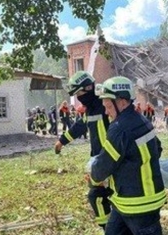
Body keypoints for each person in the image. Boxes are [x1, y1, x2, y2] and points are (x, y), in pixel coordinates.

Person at [90, 76, 166, 235]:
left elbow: (104, 165)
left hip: (137, 204)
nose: (106, 112)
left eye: (109, 106)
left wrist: (93, 178)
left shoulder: (119, 128)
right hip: (129, 201)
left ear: (122, 102)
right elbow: (157, 149)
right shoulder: (142, 119)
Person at [54, 71, 111, 230]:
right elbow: (79, 126)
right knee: (100, 195)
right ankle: (110, 227)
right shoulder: (91, 109)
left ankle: (109, 228)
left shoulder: (105, 105)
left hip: (111, 159)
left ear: (89, 87)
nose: (78, 96)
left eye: (79, 92)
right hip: (100, 159)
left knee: (98, 195)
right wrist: (61, 141)